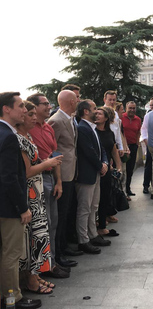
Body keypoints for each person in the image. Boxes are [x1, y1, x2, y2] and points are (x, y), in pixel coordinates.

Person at [16, 101, 63, 295]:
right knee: (32, 237)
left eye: (35, 114)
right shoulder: (17, 138)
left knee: (39, 235)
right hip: (29, 193)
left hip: (37, 191)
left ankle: (35, 275)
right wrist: (47, 163)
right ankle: (30, 279)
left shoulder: (27, 135)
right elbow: (26, 171)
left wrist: (46, 163)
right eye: (30, 114)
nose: (34, 117)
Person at [26, 93, 77, 275]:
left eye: (49, 103)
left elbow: (55, 155)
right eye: (45, 104)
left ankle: (53, 261)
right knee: (44, 224)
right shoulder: (26, 130)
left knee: (53, 222)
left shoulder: (47, 127)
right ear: (33, 108)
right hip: (36, 179)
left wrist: (59, 182)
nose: (49, 107)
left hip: (51, 178)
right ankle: (47, 265)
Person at [0, 92, 41, 309]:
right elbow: (9, 178)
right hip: (9, 207)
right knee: (11, 255)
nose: (24, 110)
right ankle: (11, 299)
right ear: (6, 109)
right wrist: (22, 208)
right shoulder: (8, 136)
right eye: (19, 106)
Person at [48, 90, 82, 269]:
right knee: (61, 215)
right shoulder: (56, 120)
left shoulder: (69, 118)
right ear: (71, 101)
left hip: (70, 171)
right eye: (77, 98)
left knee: (67, 212)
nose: (79, 100)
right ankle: (59, 253)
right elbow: (52, 149)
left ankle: (64, 247)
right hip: (62, 174)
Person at [75, 100, 110, 255]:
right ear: (85, 111)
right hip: (86, 174)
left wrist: (105, 162)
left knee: (93, 206)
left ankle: (93, 234)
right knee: (84, 208)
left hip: (95, 172)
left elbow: (100, 147)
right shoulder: (82, 128)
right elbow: (88, 151)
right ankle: (83, 240)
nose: (97, 111)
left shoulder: (92, 127)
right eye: (94, 109)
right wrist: (100, 165)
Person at [95, 107, 122, 237]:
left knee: (106, 196)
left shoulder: (109, 133)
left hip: (108, 169)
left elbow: (113, 150)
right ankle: (99, 223)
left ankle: (102, 222)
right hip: (97, 169)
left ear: (106, 118)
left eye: (100, 113)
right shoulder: (92, 131)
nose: (96, 115)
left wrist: (119, 166)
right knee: (96, 198)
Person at [120, 101, 141, 197]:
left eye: (134, 108)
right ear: (126, 108)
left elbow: (138, 132)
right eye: (130, 108)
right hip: (123, 147)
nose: (132, 110)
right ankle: (121, 190)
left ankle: (128, 189)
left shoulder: (138, 120)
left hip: (133, 146)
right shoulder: (121, 118)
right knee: (122, 169)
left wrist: (137, 143)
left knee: (130, 169)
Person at [140, 98, 153, 194]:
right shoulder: (148, 116)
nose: (151, 106)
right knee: (148, 165)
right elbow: (144, 129)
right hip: (150, 144)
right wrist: (145, 140)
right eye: (151, 105)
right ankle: (146, 185)